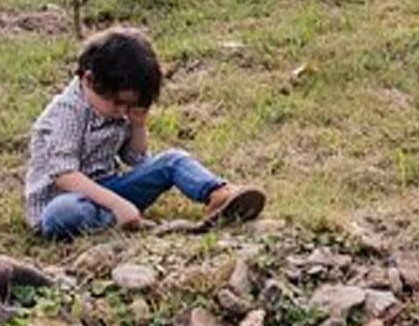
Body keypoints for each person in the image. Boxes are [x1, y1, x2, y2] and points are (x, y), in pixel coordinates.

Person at [25, 26, 266, 239]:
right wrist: (118, 205)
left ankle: (218, 195)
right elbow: (64, 175)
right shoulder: (67, 111)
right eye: (119, 103)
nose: (123, 111)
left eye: (131, 105)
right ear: (89, 80)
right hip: (65, 199)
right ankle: (122, 221)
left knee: (173, 160)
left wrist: (138, 126)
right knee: (64, 214)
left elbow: (136, 158)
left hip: (109, 189)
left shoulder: (116, 110)